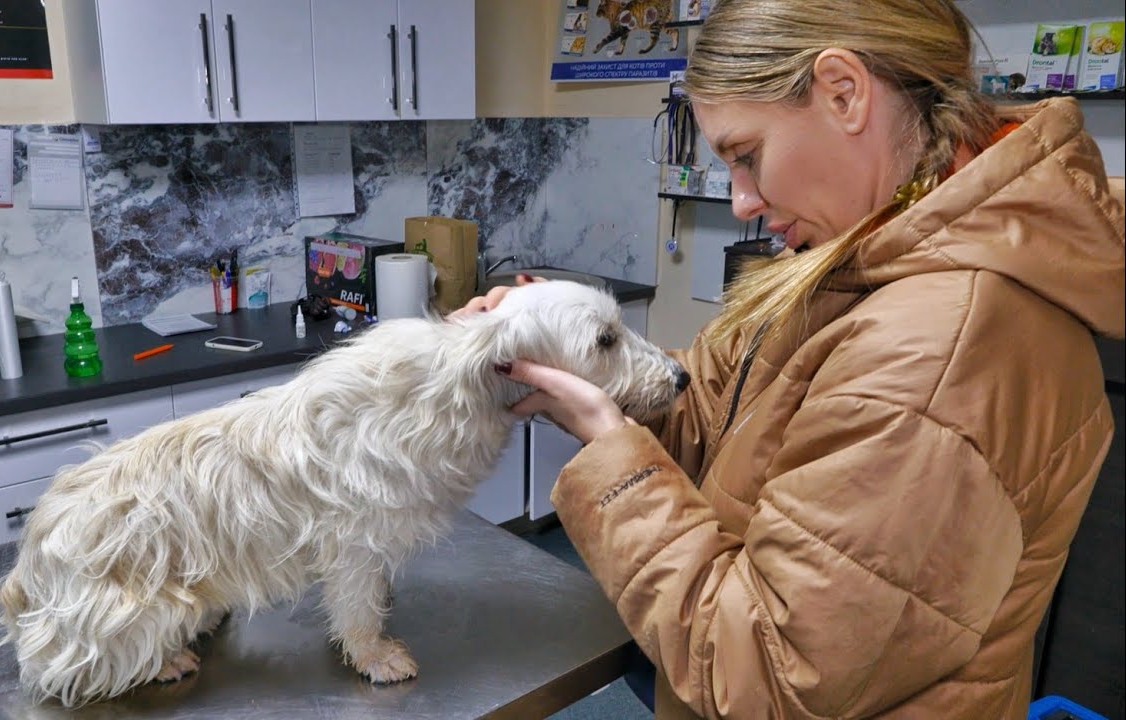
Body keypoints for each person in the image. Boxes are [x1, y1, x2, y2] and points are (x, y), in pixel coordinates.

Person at [455, 0, 1124, 717]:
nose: (742, 200)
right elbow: (719, 413)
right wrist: (578, 368)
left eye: (747, 155)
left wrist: (613, 455)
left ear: (844, 92)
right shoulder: (852, 255)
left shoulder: (941, 352)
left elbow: (770, 675)